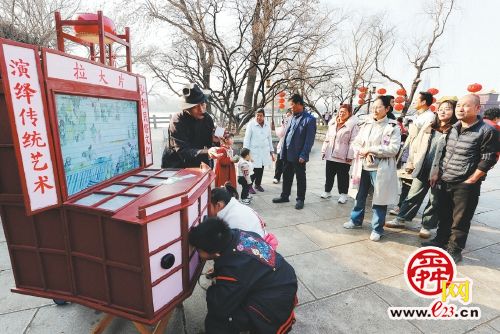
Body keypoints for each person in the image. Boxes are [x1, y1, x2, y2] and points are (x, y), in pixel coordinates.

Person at [422, 94, 498, 263]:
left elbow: (488, 158)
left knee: (460, 219)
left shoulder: (487, 131)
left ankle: (455, 250)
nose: (460, 109)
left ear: (478, 108)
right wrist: (437, 173)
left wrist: (472, 179)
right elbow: (445, 153)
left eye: (466, 106)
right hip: (446, 179)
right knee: (444, 214)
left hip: (465, 184)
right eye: (458, 106)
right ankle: (439, 241)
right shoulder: (454, 127)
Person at [189, 217, 297, 334]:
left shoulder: (234, 269)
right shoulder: (238, 234)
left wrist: (213, 288)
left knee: (217, 319)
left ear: (215, 253)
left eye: (198, 250)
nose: (197, 253)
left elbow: (218, 305)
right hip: (283, 280)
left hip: (274, 303)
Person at [386, 100, 458, 237]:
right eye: (441, 109)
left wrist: (441, 172)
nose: (443, 111)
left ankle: (427, 225)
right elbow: (416, 145)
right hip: (423, 166)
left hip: (440, 172)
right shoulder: (430, 126)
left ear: (454, 112)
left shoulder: (454, 131)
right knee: (413, 195)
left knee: (435, 200)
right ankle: (401, 218)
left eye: (447, 109)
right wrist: (411, 162)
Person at [343, 95, 401, 241]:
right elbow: (355, 143)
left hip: (380, 168)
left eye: (379, 107)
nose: (375, 110)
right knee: (360, 196)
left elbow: (393, 149)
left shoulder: (392, 127)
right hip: (363, 166)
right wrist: (364, 152)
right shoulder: (366, 124)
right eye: (373, 107)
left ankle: (377, 228)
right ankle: (356, 220)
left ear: (387, 108)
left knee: (379, 200)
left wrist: (371, 150)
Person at [389, 92, 435, 215]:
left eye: (416, 100)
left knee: (411, 183)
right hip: (409, 152)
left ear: (424, 102)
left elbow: (424, 140)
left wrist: (416, 157)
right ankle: (401, 206)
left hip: (417, 154)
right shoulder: (419, 115)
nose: (414, 102)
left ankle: (404, 210)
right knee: (405, 181)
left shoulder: (429, 117)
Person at [272, 94, 317, 210]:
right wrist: (282, 151)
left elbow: (309, 140)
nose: (291, 107)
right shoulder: (291, 117)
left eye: (292, 105)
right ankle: (285, 196)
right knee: (286, 175)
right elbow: (287, 134)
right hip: (287, 152)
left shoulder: (309, 119)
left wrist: (304, 154)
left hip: (299, 155)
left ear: (299, 104)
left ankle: (300, 199)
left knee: (300, 177)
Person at [161, 83, 219, 168]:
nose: (201, 109)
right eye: (196, 106)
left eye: (202, 104)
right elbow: (183, 151)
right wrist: (207, 152)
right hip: (176, 165)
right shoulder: (177, 120)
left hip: (198, 163)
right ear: (187, 108)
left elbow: (211, 146)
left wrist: (216, 140)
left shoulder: (207, 118)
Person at [210, 183, 279, 249]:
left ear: (219, 205)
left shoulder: (233, 220)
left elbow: (232, 249)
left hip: (256, 252)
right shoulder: (235, 207)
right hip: (261, 243)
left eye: (209, 206)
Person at [320, 104, 359, 204]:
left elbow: (353, 141)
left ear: (349, 114)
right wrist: (324, 151)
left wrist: (350, 155)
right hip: (330, 153)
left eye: (344, 112)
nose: (341, 114)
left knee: (342, 176)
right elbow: (327, 138)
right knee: (329, 174)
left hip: (343, 155)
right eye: (340, 111)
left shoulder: (352, 125)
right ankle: (327, 191)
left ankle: (343, 194)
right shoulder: (332, 123)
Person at [243, 108, 275, 193]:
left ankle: (258, 184)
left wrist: (272, 151)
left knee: (261, 168)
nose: (259, 117)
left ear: (264, 116)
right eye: (257, 115)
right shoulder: (251, 124)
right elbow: (247, 138)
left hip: (264, 151)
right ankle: (249, 186)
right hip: (254, 151)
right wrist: (246, 151)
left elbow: (269, 138)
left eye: (261, 116)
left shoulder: (267, 125)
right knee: (253, 170)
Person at [273, 110, 293, 184]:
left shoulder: (294, 124)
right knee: (279, 162)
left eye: (289, 116)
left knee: (288, 164)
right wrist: (283, 125)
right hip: (282, 146)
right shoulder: (284, 124)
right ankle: (276, 177)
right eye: (286, 116)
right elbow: (280, 134)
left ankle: (287, 178)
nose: (287, 117)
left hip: (290, 147)